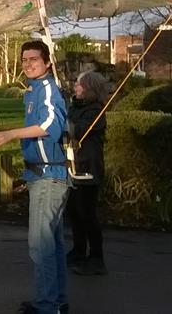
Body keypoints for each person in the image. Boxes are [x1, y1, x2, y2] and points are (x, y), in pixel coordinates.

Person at [0, 41, 69, 314]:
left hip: (49, 176)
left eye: (34, 59)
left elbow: (51, 126)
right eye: (24, 60)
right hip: (42, 175)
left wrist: (10, 134)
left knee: (41, 245)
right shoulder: (34, 89)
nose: (28, 64)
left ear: (47, 62)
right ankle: (56, 302)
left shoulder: (47, 88)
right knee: (52, 244)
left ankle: (47, 306)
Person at [65, 70, 109, 276]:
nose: (76, 87)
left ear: (89, 88)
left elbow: (78, 131)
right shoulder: (75, 107)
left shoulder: (96, 111)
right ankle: (79, 250)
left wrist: (65, 123)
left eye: (79, 84)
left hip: (88, 168)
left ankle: (97, 257)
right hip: (74, 166)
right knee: (74, 212)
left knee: (87, 214)